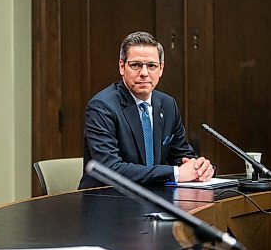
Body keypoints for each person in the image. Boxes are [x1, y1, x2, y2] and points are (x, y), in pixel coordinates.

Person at [79, 31, 214, 189]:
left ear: (161, 69)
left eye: (151, 66)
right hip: (107, 200)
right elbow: (110, 169)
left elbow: (182, 156)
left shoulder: (167, 104)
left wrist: (199, 168)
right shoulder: (102, 107)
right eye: (135, 65)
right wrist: (176, 173)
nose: (144, 73)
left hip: (154, 197)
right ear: (122, 67)